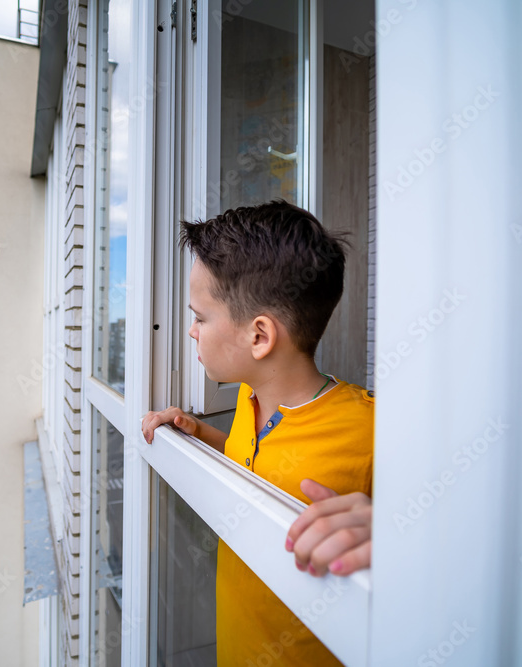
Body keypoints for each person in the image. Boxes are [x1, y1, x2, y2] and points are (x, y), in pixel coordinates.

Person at [141, 200, 374, 667]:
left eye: (201, 318)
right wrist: (195, 434)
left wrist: (391, 536)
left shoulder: (373, 430)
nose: (191, 331)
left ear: (259, 337)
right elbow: (254, 464)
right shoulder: (252, 397)